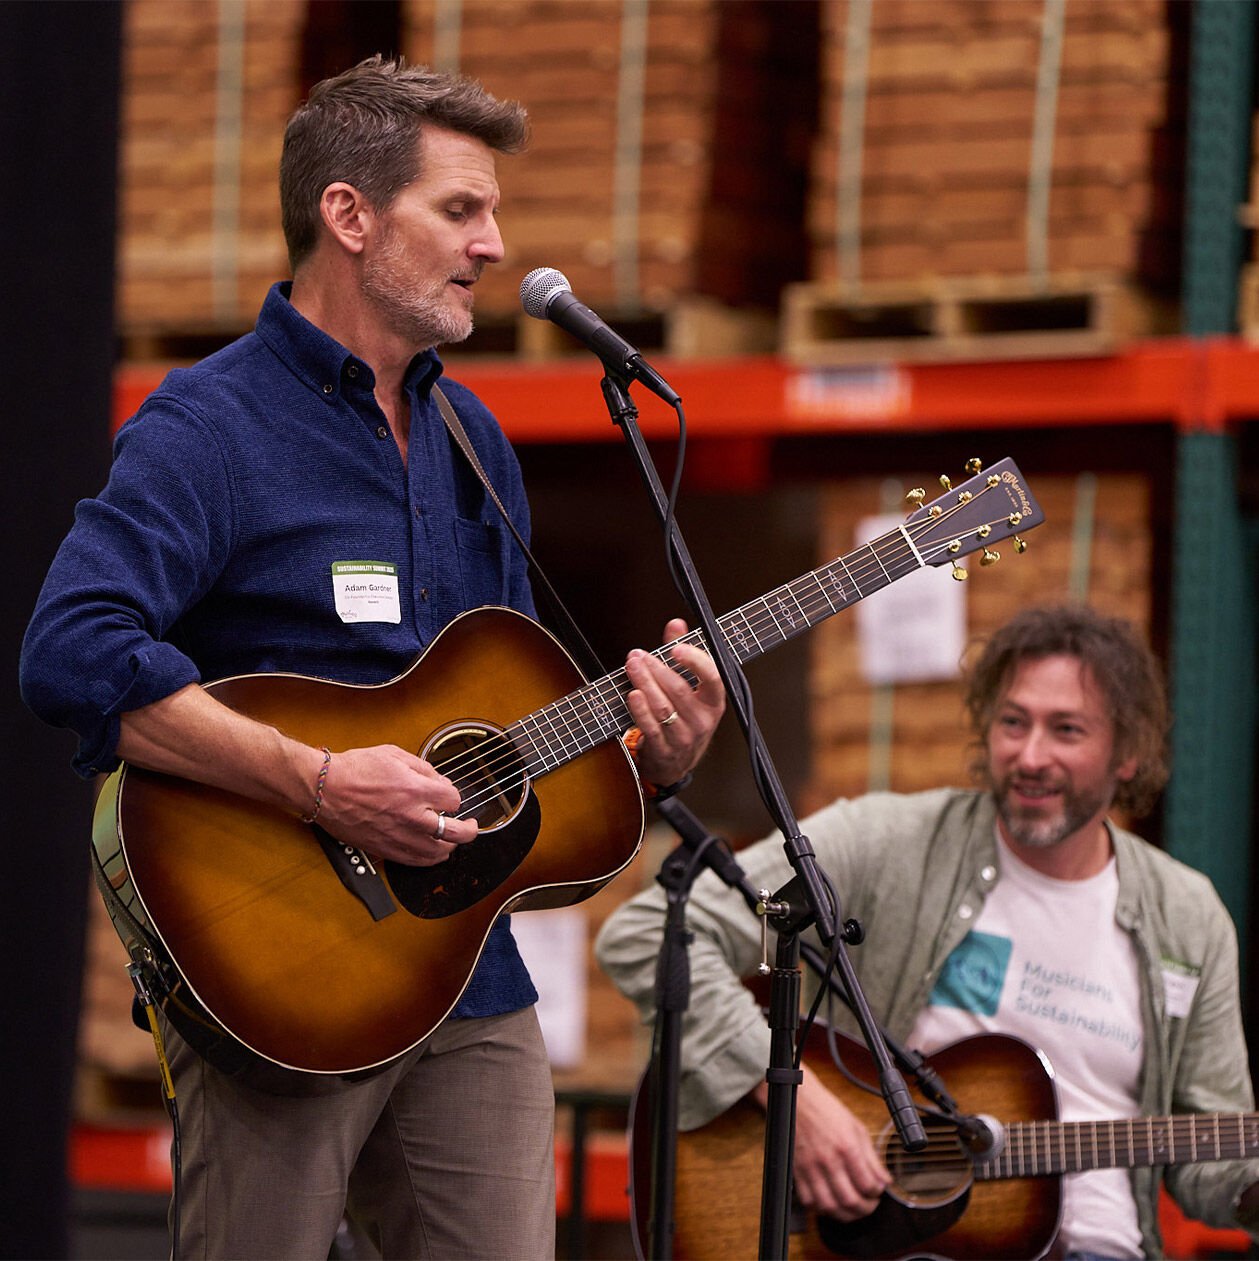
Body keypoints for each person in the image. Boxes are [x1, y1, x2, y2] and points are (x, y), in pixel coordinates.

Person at [20, 55, 724, 1261]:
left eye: (492, 212)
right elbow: (71, 652)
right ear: (348, 215)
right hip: (279, 975)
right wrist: (321, 782)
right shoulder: (211, 426)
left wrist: (652, 758)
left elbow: (503, 725)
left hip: (472, 982)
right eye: (461, 209)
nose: (494, 244)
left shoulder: (473, 438)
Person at [596, 603, 1259, 1259]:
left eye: (1065, 729)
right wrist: (796, 1106)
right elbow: (651, 931)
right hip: (890, 1243)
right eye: (1011, 721)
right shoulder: (887, 842)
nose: (1030, 755)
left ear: (1128, 754)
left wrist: (1248, 1193)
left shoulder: (1186, 914)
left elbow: (1213, 1156)